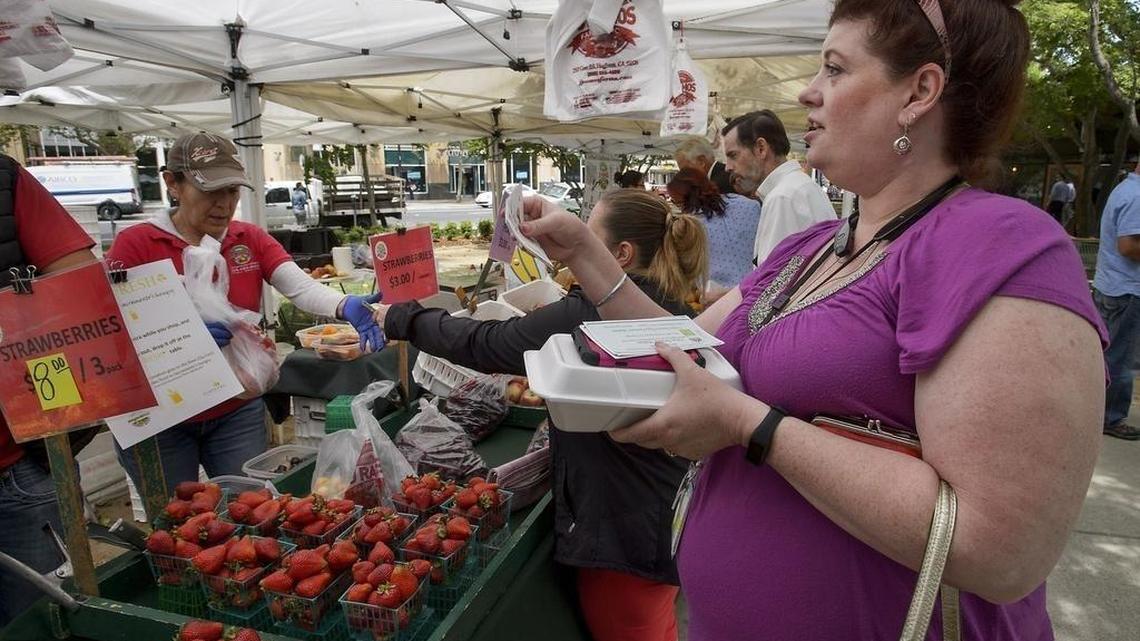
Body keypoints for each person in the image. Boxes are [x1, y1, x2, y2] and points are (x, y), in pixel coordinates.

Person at [518, 1, 1106, 639]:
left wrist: (751, 425)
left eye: (834, 68)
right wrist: (585, 252)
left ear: (921, 90)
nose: (807, 91)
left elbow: (999, 549)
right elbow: (685, 346)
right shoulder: (817, 247)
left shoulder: (1004, 246)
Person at [373, 190, 708, 641]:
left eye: (589, 234)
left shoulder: (590, 313)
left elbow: (484, 343)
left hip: (622, 532)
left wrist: (402, 319)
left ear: (620, 255)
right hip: (666, 514)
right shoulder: (675, 306)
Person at [106, 132, 383, 496]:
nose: (224, 204)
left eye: (232, 192)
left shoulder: (246, 238)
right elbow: (112, 330)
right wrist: (183, 338)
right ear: (172, 183)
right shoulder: (138, 244)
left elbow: (298, 285)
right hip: (163, 418)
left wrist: (342, 305)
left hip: (235, 408)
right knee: (178, 521)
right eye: (210, 191)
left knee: (250, 510)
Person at [0, 154, 98, 627]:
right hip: (23, 465)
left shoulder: (5, 178)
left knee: (41, 619)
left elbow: (77, 285)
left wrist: (57, 403)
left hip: (18, 459)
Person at [722, 109, 836, 264]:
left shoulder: (783, 197)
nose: (727, 167)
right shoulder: (797, 187)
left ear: (761, 148)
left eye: (733, 155)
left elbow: (772, 282)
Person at [1092, 160, 1140, 440]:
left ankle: (1101, 409)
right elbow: (1128, 245)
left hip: (1113, 285)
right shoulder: (1136, 196)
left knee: (1110, 354)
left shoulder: (1125, 189)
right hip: (1127, 289)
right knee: (1121, 357)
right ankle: (1110, 416)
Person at [666, 167, 760, 294]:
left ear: (681, 199)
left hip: (716, 297)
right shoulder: (750, 205)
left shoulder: (689, 226)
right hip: (757, 288)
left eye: (675, 201)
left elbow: (685, 269)